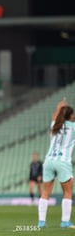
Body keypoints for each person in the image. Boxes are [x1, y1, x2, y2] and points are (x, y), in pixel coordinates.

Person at [38, 98, 75, 229]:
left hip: (49, 161)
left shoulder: (55, 125)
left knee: (45, 192)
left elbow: (55, 116)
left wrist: (59, 107)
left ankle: (41, 222)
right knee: (68, 192)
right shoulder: (73, 127)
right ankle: (65, 222)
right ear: (70, 116)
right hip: (63, 161)